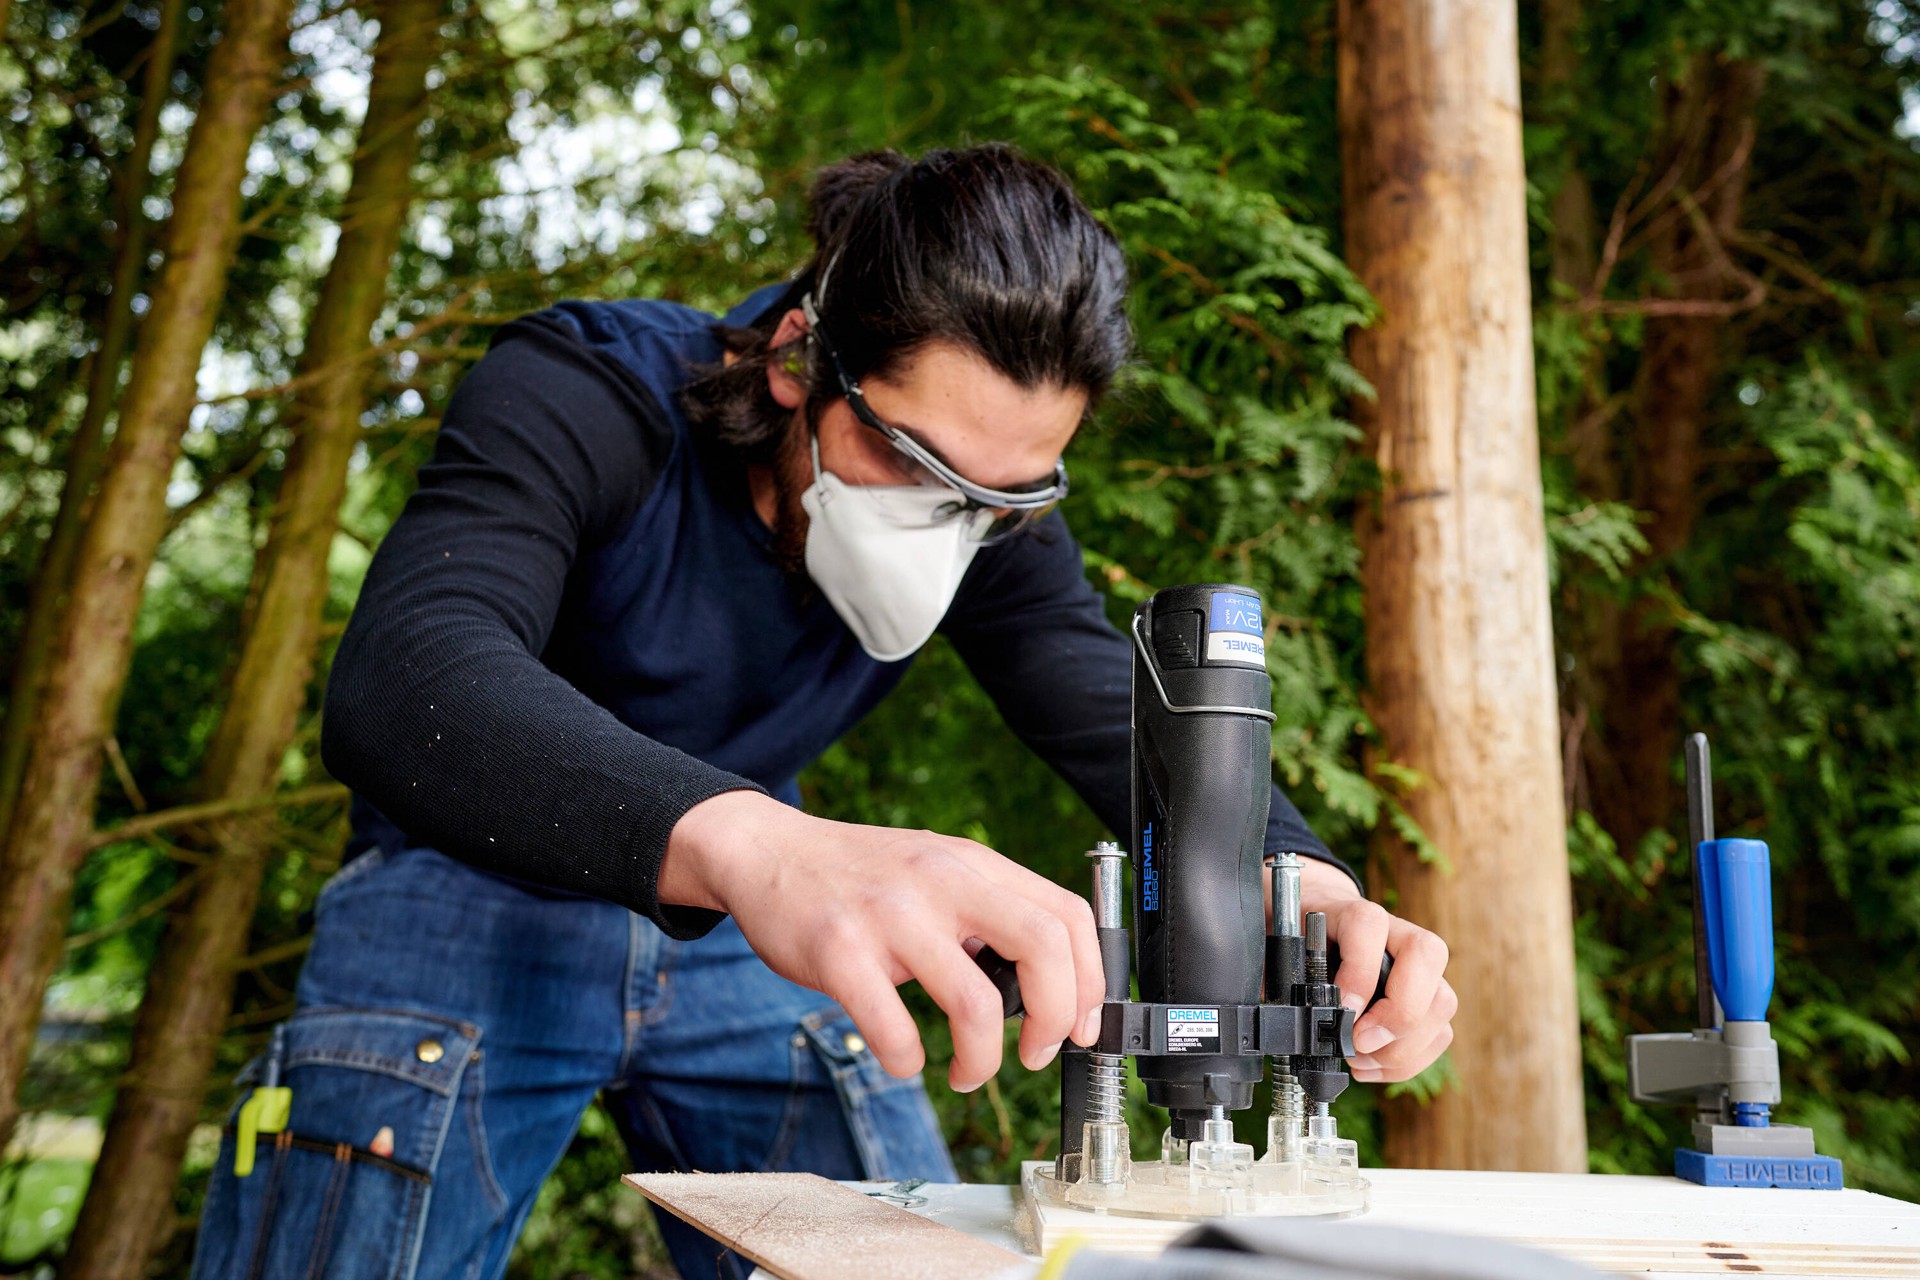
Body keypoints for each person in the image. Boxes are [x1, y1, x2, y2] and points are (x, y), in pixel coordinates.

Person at [190, 145, 1456, 1280]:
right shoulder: (592, 390)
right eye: (911, 462)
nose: (952, 523)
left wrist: (1301, 886)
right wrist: (768, 848)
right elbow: (407, 678)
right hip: (470, 884)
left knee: (913, 1261)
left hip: (747, 936)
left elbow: (1102, 711)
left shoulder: (986, 513)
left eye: (1001, 499)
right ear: (800, 357)